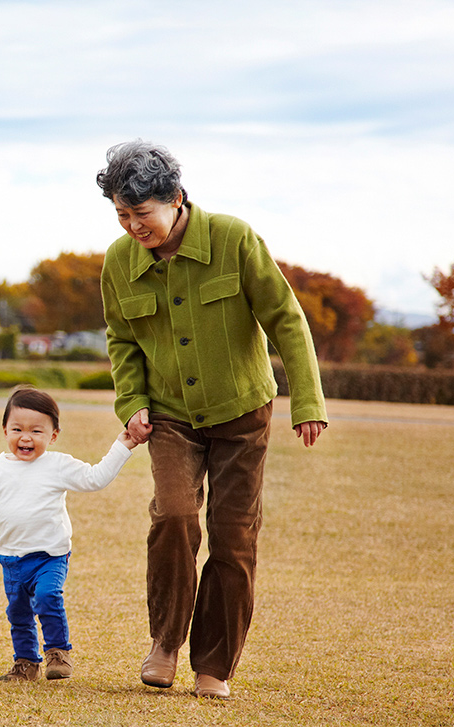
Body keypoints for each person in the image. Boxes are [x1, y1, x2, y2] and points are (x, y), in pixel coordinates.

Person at [96, 140, 327, 699]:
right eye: (122, 216)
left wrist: (308, 401)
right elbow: (122, 340)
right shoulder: (118, 262)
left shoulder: (234, 238)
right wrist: (132, 403)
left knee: (232, 536)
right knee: (174, 516)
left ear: (175, 199)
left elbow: (286, 319)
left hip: (242, 413)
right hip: (170, 417)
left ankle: (213, 667)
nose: (132, 227)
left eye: (141, 213)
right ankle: (165, 644)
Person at [0, 385, 138, 682]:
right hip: (12, 559)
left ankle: (58, 652)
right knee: (18, 614)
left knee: (47, 596)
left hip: (50, 555)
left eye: (37, 431)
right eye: (17, 428)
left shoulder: (57, 465)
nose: (26, 437)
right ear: (5, 429)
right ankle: (26, 664)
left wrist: (123, 445)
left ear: (53, 435)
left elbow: (95, 478)